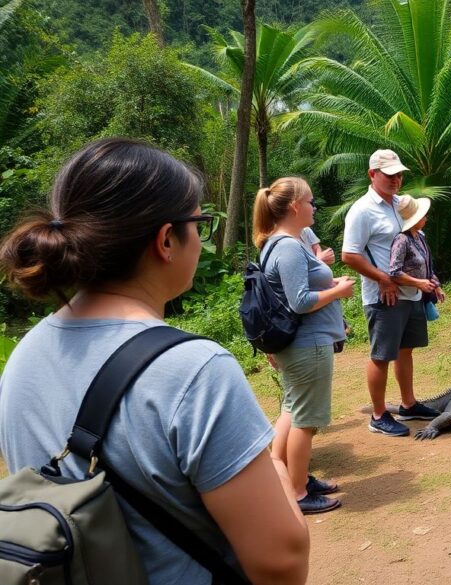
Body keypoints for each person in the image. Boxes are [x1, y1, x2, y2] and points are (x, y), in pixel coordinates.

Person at [0, 138, 309, 584]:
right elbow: (282, 564)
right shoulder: (194, 369)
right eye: (199, 224)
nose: (201, 240)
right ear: (166, 239)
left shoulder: (24, 356)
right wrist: (277, 469)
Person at [254, 177, 353, 514]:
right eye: (311, 202)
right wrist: (338, 291)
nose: (314, 208)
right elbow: (299, 301)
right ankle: (298, 492)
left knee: (293, 410)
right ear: (295, 207)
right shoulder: (288, 247)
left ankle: (287, 478)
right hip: (307, 345)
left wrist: (329, 286)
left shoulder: (276, 244)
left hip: (298, 343)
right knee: (306, 420)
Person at [341, 149, 439, 438]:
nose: (396, 180)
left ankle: (408, 404)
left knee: (405, 349)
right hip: (384, 296)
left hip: (410, 292)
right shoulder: (362, 210)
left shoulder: (401, 204)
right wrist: (383, 279)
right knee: (382, 354)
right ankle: (378, 415)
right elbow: (349, 255)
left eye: (399, 175)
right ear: (372, 174)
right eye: (390, 175)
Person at [389, 195, 445, 325]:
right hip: (403, 298)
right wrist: (418, 283)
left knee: (418, 336)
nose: (426, 218)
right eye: (423, 215)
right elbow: (394, 272)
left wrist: (436, 286)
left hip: (418, 296)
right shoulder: (402, 240)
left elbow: (427, 266)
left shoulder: (420, 237)